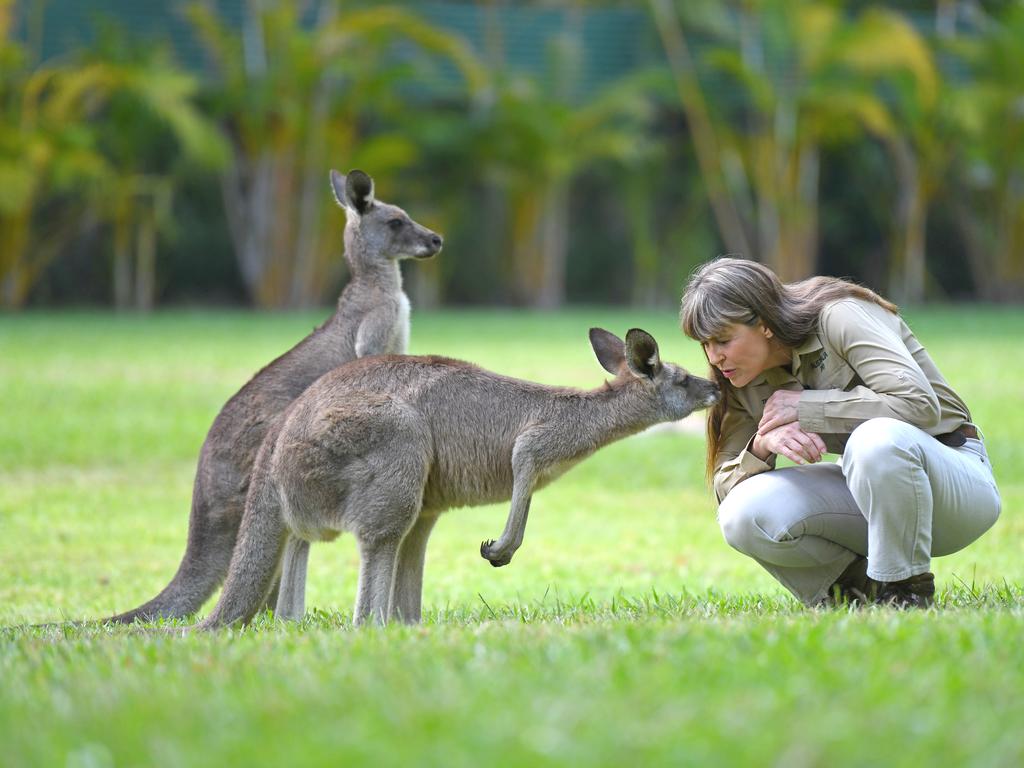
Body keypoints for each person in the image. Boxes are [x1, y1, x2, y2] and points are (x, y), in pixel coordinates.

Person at [679, 257, 1001, 608]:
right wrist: (760, 448)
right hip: (868, 495)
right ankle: (856, 595)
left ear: (765, 323)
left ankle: (905, 592)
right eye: (705, 344)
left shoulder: (839, 315)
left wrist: (805, 407)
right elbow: (724, 493)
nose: (715, 358)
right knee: (741, 513)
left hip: (955, 485)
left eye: (723, 340)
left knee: (873, 440)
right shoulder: (740, 381)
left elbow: (919, 405)